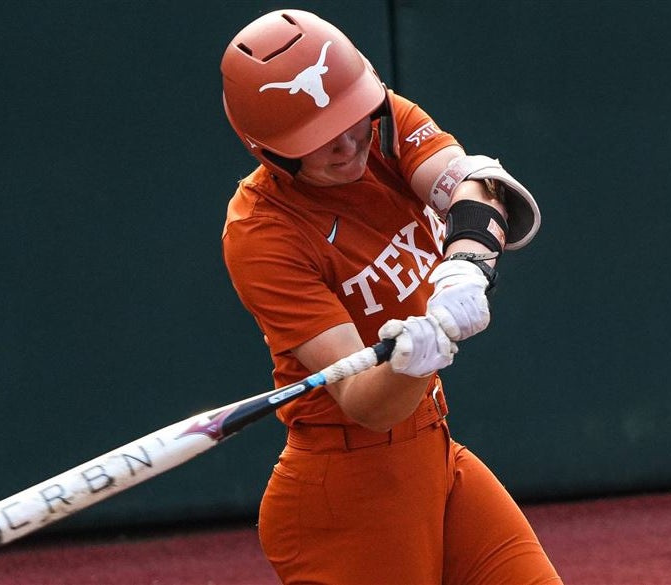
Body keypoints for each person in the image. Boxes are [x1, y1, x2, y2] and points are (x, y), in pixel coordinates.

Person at [219, 9, 559, 584]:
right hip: (345, 495)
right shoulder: (261, 233)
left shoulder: (378, 122)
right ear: (269, 150)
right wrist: (412, 362)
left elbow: (480, 185)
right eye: (320, 139)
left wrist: (465, 266)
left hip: (433, 454)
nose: (350, 143)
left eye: (354, 118)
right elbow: (363, 401)